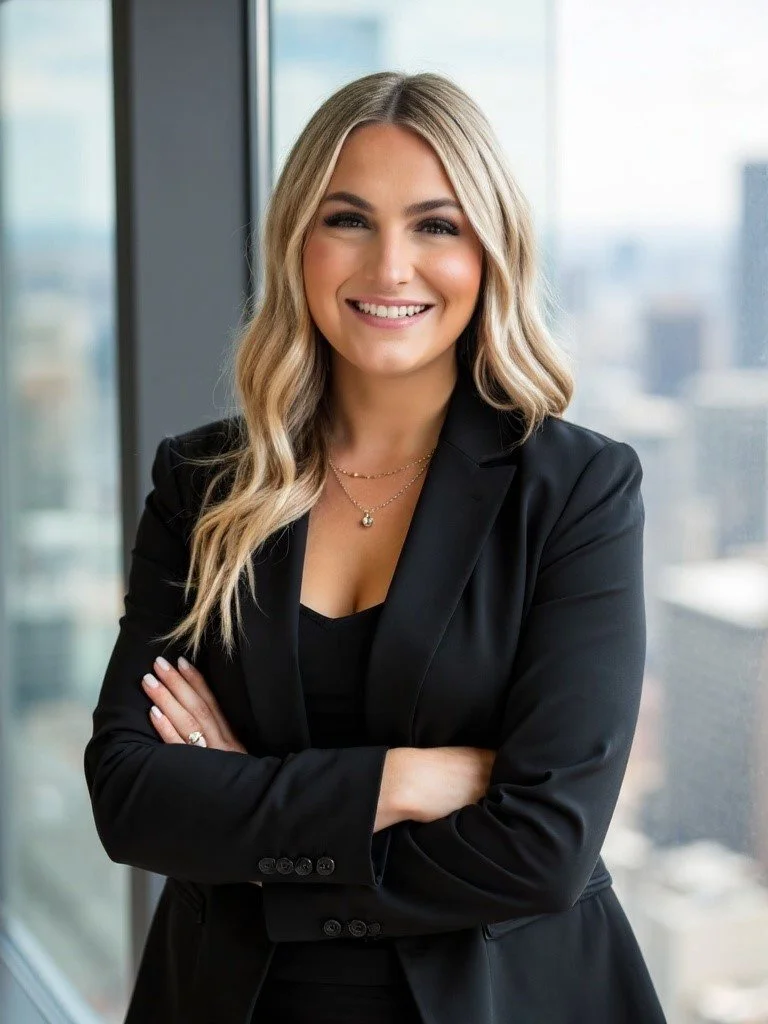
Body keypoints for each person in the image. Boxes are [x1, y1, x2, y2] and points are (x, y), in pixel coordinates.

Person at [83, 70, 668, 1024]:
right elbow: (132, 795)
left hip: (506, 1002)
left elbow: (546, 846)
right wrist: (400, 780)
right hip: (229, 1001)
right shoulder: (202, 485)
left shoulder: (576, 492)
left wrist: (255, 831)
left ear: (490, 251)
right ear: (297, 243)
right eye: (348, 219)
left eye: (436, 225)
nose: (390, 267)